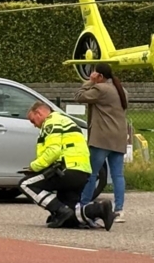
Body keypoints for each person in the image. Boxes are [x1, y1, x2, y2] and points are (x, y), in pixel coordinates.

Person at [20, 101, 115, 230]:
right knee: (69, 218)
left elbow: (54, 150)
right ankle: (99, 209)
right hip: (82, 172)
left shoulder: (51, 122)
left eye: (33, 121)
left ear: (39, 113)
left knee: (25, 184)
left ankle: (59, 210)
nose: (34, 125)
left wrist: (34, 167)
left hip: (67, 170)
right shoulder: (65, 120)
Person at [76, 63, 128, 222]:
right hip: (119, 137)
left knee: (91, 173)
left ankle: (84, 205)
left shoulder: (100, 89)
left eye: (94, 73)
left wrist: (89, 82)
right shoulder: (121, 90)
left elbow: (79, 96)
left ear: (100, 76)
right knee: (118, 174)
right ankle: (119, 210)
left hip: (102, 138)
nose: (92, 75)